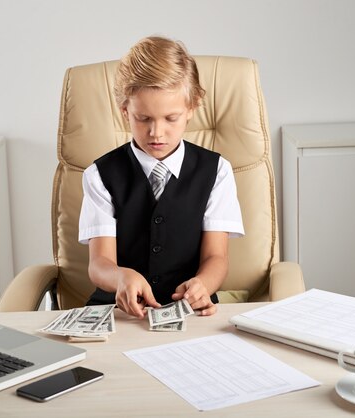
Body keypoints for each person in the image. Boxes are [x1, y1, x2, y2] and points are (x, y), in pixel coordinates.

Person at [78, 36, 244, 319]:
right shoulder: (100, 175)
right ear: (125, 111)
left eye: (171, 118)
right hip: (119, 313)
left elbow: (216, 258)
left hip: (190, 312)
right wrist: (120, 277)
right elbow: (99, 263)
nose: (156, 132)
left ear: (191, 109)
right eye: (144, 119)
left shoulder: (216, 171)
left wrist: (203, 284)